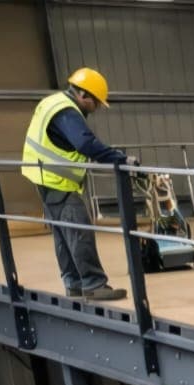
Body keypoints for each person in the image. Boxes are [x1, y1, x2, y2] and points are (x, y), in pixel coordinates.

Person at [21, 68, 133, 302]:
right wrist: (120, 159)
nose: (98, 107)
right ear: (83, 94)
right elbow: (85, 144)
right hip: (57, 181)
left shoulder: (52, 102)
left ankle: (73, 284)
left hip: (44, 177)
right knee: (79, 231)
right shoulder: (67, 112)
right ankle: (93, 284)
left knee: (63, 235)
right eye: (96, 102)